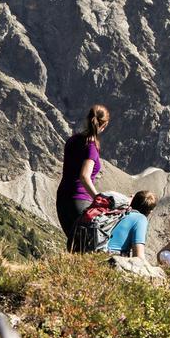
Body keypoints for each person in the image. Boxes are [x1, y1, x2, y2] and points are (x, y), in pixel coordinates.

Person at [55, 104, 110, 249]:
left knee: (74, 246)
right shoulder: (91, 147)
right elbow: (84, 176)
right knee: (88, 248)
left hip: (62, 199)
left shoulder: (72, 140)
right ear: (104, 125)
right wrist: (99, 199)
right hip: (79, 200)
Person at [106, 190, 157, 258]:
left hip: (96, 249)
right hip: (112, 256)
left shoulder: (119, 211)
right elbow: (138, 256)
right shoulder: (141, 219)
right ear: (150, 212)